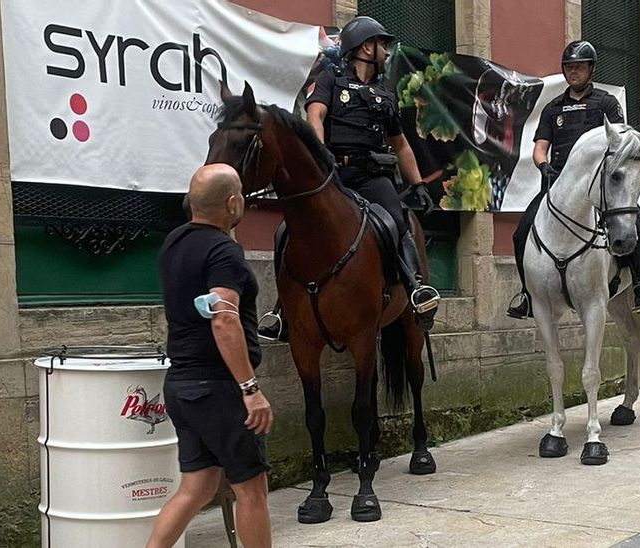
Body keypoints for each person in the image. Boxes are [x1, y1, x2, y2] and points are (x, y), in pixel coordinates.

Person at [257, 15, 439, 341]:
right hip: (333, 175)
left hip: (372, 176)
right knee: (286, 230)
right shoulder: (329, 80)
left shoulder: (385, 93)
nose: (385, 51)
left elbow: (400, 145)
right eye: (382, 44)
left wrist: (419, 184)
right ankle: (283, 309)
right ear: (366, 47)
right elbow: (315, 116)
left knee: (397, 223)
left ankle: (415, 289)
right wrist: (320, 152)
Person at [147, 164, 273, 548]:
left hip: (181, 387)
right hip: (218, 390)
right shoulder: (224, 252)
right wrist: (250, 389)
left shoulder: (174, 242)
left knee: (198, 486)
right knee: (251, 491)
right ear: (233, 202)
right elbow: (224, 321)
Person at [506, 40, 640, 319]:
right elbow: (540, 147)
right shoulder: (553, 108)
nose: (574, 72)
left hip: (599, 186)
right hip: (559, 185)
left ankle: (639, 284)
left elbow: (621, 143)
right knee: (520, 232)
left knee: (638, 224)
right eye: (569, 67)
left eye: (579, 67)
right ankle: (526, 293)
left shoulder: (606, 103)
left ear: (591, 70)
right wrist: (544, 166)